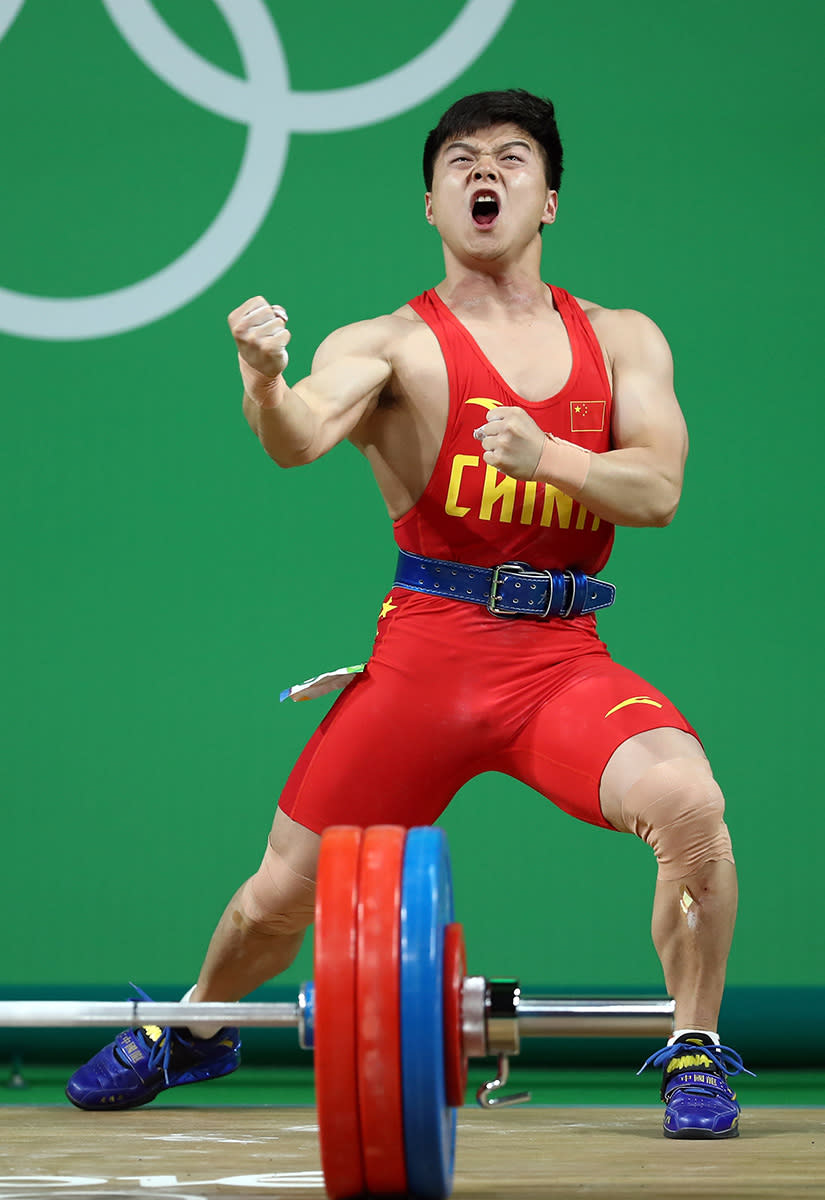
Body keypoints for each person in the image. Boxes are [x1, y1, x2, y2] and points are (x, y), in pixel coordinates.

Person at [66, 89, 751, 1137]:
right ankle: (198, 1024)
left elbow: (658, 491)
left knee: (693, 811)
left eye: (512, 159)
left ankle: (693, 1046)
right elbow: (296, 436)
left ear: (550, 199)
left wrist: (548, 454)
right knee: (275, 900)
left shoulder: (621, 340)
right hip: (427, 663)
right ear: (431, 205)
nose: (486, 174)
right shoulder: (391, 345)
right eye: (461, 162)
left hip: (560, 664)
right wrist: (262, 379)